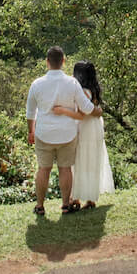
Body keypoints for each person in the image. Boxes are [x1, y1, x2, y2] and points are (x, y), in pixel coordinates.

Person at [25, 45, 94, 215]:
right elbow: (87, 108)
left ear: (47, 62)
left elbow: (30, 111)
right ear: (63, 61)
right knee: (65, 169)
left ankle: (40, 206)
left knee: (43, 169)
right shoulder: (72, 83)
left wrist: (31, 131)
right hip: (67, 133)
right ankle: (65, 204)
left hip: (44, 133)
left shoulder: (37, 84)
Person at [52, 60, 113, 207]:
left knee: (80, 160)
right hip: (94, 126)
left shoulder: (84, 91)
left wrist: (62, 111)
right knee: (90, 160)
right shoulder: (94, 89)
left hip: (85, 127)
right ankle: (88, 197)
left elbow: (82, 113)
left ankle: (78, 198)